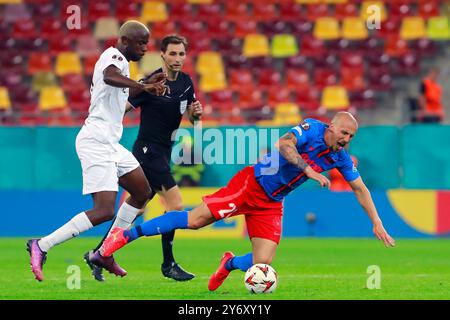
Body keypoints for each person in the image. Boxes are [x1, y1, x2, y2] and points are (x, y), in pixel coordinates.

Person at [100, 112, 396, 291]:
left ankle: (228, 264)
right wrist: (308, 170)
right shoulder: (312, 129)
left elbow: (361, 189)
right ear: (332, 127)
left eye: (352, 136)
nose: (347, 139)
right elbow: (284, 143)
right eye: (344, 132)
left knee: (262, 261)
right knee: (194, 221)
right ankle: (123, 235)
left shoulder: (340, 157)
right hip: (250, 185)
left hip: (272, 202)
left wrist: (377, 223)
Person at [26, 20, 168, 282]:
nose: (145, 48)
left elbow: (116, 95)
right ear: (125, 42)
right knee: (104, 211)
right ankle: (41, 245)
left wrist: (144, 82)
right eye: (141, 43)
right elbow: (108, 77)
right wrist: (144, 86)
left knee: (142, 192)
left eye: (147, 43)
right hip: (96, 142)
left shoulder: (122, 64)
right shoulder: (112, 56)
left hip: (111, 144)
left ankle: (104, 252)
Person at [86, 35, 203, 282]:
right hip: (147, 153)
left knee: (134, 212)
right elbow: (122, 107)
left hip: (163, 153)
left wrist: (196, 116)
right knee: (175, 205)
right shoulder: (150, 83)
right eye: (172, 53)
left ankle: (98, 253)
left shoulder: (186, 83)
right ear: (162, 55)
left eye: (181, 54)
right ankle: (168, 264)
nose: (177, 59)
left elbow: (191, 117)